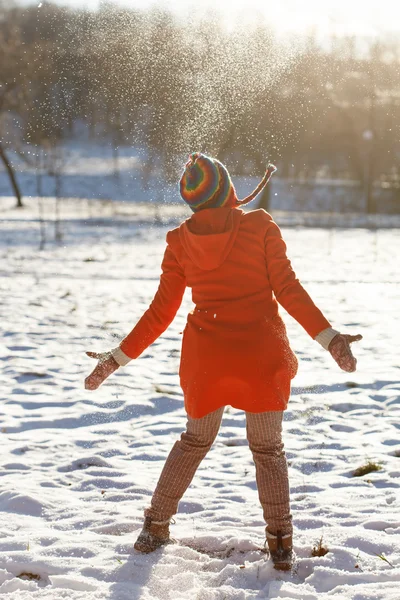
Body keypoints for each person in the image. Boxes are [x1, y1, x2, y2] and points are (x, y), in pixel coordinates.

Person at [85, 153, 362, 571]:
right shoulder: (260, 226)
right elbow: (287, 289)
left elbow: (160, 312)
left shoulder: (180, 241)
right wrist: (330, 338)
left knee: (194, 440)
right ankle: (281, 542)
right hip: (260, 353)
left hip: (207, 357)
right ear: (228, 189)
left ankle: (155, 526)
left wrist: (116, 358)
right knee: (268, 449)